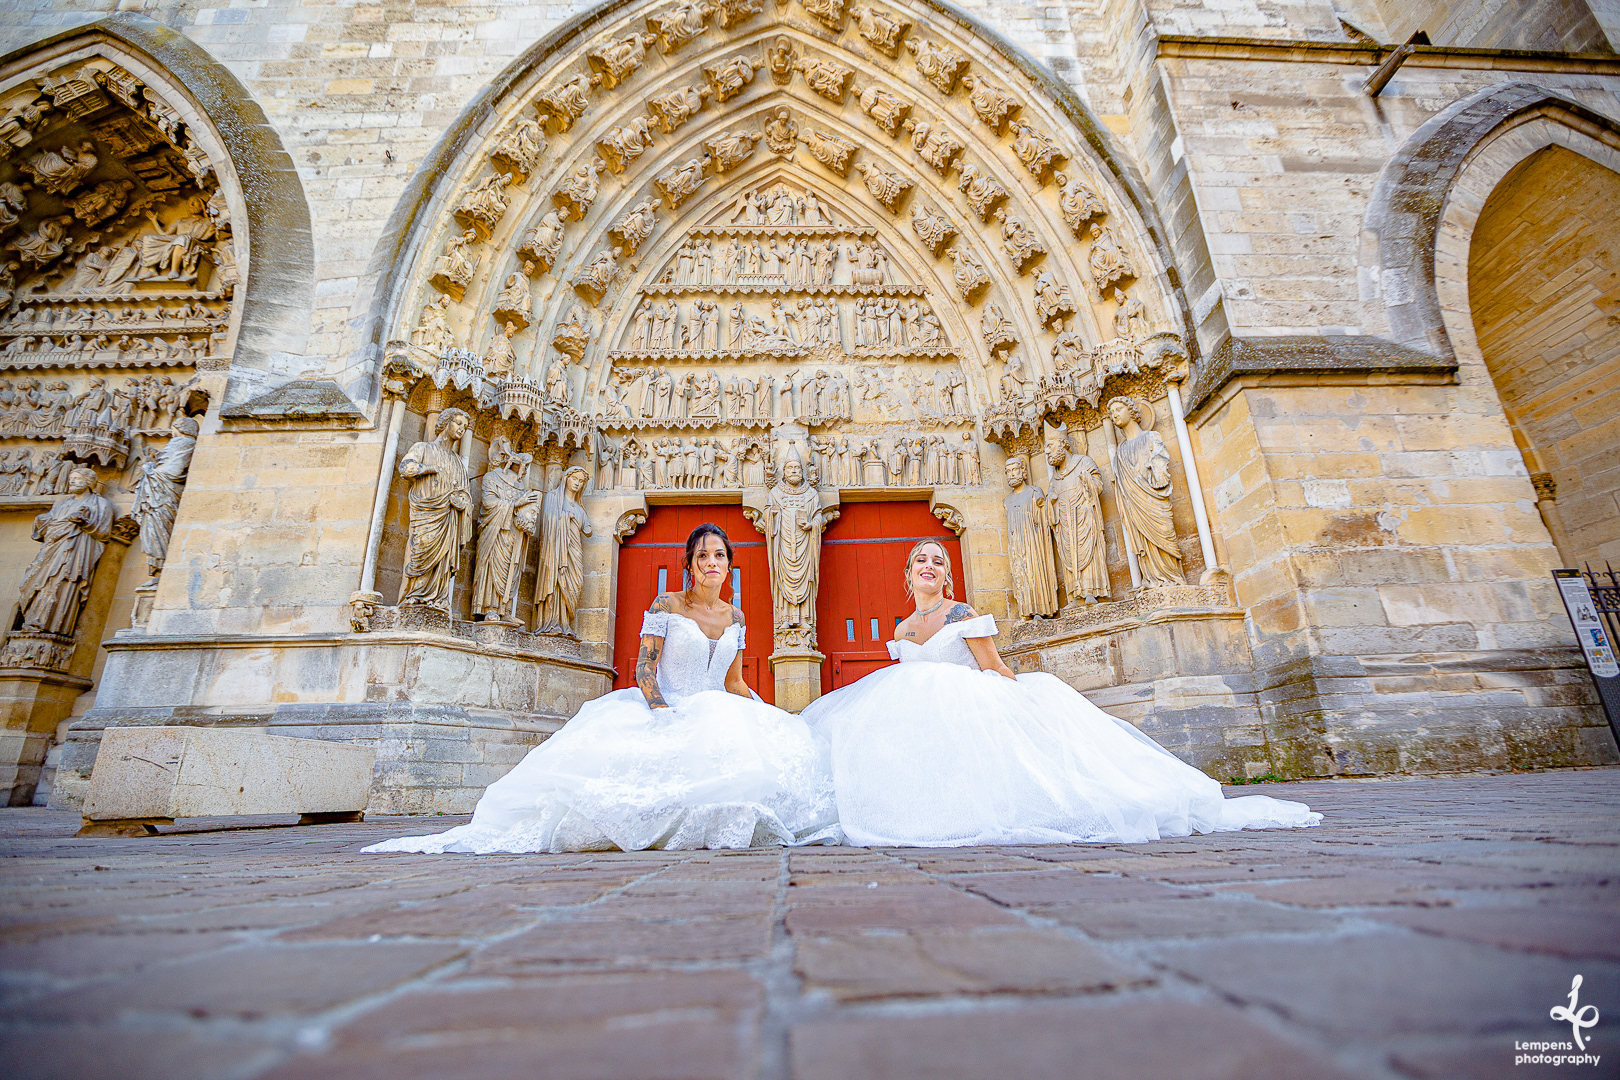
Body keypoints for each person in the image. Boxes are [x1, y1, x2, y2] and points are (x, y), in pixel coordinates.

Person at [801, 540, 1321, 847]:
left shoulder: (961, 615)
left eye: (938, 561)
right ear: (908, 574)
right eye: (921, 563)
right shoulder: (902, 627)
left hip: (965, 704)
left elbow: (993, 667)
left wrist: (1022, 703)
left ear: (947, 573)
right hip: (914, 712)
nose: (929, 568)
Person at [367, 523, 840, 854]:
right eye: (703, 556)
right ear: (690, 565)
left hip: (718, 708)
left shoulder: (735, 617)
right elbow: (645, 672)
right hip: (668, 705)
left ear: (728, 565)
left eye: (719, 555)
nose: (711, 563)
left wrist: (768, 714)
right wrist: (664, 713)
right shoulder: (667, 603)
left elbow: (733, 681)